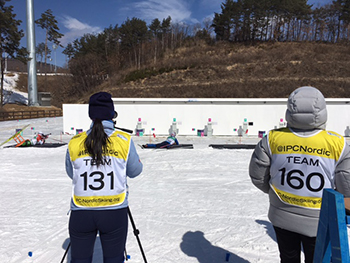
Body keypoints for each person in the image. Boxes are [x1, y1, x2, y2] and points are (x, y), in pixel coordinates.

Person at [249, 86, 350, 263]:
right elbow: (345, 186)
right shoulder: (338, 144)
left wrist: (275, 193)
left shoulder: (272, 139)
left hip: (281, 214)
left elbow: (258, 176)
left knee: (288, 257)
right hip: (319, 219)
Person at [65, 92, 143, 263]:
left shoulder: (75, 141)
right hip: (114, 211)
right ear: (112, 114)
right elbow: (135, 171)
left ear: (91, 115)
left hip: (81, 212)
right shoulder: (123, 140)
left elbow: (73, 174)